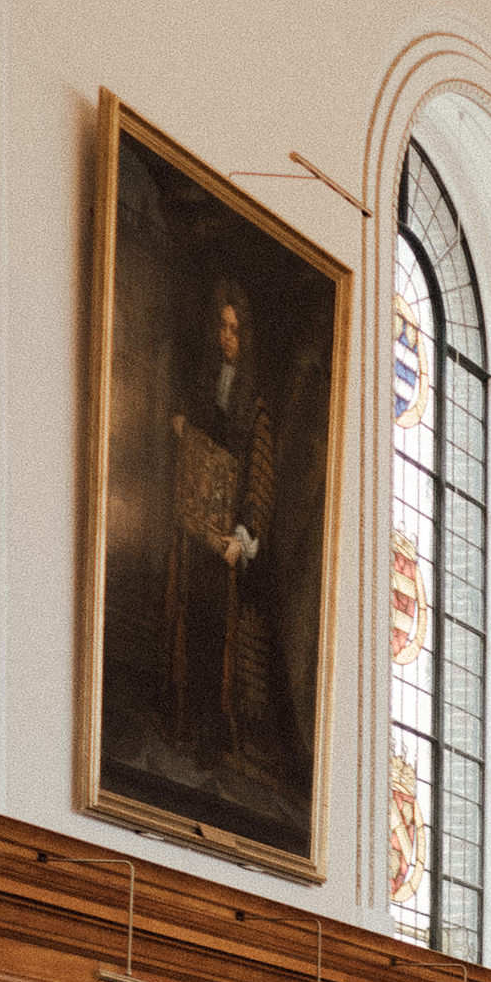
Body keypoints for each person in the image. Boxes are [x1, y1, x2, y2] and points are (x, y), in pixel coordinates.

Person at [166, 277, 281, 776]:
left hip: (227, 539)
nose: (227, 337)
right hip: (195, 527)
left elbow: (259, 471)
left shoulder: (254, 398)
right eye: (223, 325)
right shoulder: (203, 380)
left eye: (235, 329)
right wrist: (183, 428)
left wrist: (243, 536)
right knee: (185, 616)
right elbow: (192, 437)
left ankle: (212, 733)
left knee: (218, 632)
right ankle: (182, 720)